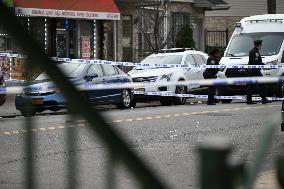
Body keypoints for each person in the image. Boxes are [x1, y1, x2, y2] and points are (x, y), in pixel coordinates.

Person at [246, 39, 270, 104]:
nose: (261, 45)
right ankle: (264, 99)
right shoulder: (255, 52)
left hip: (251, 71)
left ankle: (249, 100)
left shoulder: (252, 51)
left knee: (251, 86)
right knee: (262, 85)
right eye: (261, 44)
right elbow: (255, 62)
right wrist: (262, 64)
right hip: (255, 71)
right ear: (258, 45)